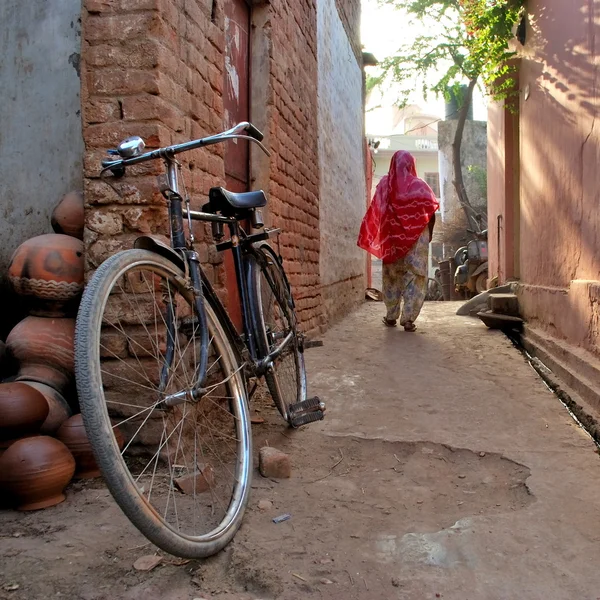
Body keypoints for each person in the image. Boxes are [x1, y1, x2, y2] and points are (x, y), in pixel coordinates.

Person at [358, 150, 439, 331]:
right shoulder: (420, 186)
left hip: (392, 237)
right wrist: (429, 234)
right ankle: (408, 319)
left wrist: (380, 232)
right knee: (415, 276)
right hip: (417, 240)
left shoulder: (385, 185)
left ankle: (391, 315)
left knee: (391, 276)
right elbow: (431, 213)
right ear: (412, 165)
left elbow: (376, 210)